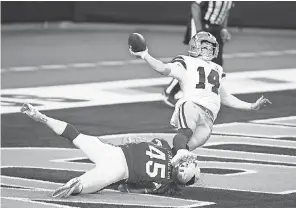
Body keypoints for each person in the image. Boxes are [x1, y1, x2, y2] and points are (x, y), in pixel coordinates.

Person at [129, 31, 271, 162]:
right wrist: (144, 55)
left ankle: (148, 158)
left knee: (180, 153)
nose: (209, 50)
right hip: (192, 106)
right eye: (205, 47)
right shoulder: (186, 61)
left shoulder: (217, 69)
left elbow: (225, 96)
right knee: (185, 134)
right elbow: (162, 68)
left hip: (208, 121)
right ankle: (142, 154)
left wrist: (250, 106)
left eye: (211, 48)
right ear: (195, 47)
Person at [20, 103, 201, 198]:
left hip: (114, 151)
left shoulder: (163, 146)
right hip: (119, 170)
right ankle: (77, 185)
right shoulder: (164, 183)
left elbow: (141, 141)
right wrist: (124, 186)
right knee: (87, 186)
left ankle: (42, 117)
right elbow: (132, 189)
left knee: (75, 135)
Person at [164, 1, 233, 107]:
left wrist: (224, 28)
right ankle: (170, 91)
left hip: (216, 27)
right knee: (195, 62)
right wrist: (200, 30)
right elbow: (195, 6)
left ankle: (206, 95)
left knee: (217, 63)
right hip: (202, 23)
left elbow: (225, 11)